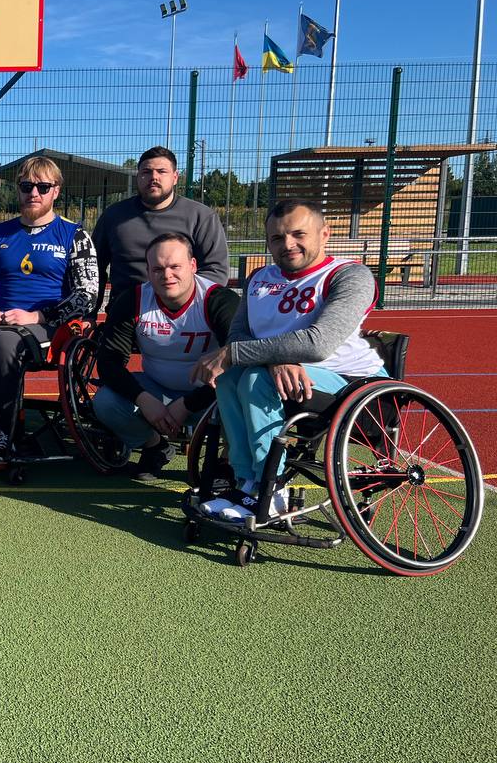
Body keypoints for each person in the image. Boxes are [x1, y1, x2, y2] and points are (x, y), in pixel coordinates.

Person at [190, 199, 387, 521]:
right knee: (229, 377)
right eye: (277, 238)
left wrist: (247, 356)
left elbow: (317, 344)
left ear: (325, 234)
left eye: (298, 234)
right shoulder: (259, 278)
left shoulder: (350, 275)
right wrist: (272, 360)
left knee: (255, 379)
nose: (288, 244)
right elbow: (238, 334)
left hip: (350, 382)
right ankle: (247, 482)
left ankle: (273, 489)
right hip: (280, 375)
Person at [0, 155, 98, 452]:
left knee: (6, 344)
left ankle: (9, 432)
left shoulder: (75, 235)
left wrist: (38, 316)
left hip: (48, 328)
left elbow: (87, 294)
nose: (34, 193)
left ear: (56, 191)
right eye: (26, 186)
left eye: (43, 187)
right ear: (18, 189)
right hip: (0, 323)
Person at [92, 232, 239, 481]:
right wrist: (144, 399)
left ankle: (227, 460)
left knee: (244, 391)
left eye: (175, 267)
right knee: (106, 402)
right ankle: (154, 446)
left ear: (193, 265)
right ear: (148, 272)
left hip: (211, 396)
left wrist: (188, 404)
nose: (167, 275)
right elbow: (109, 363)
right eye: (158, 269)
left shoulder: (218, 300)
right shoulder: (133, 300)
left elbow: (238, 362)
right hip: (157, 390)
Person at [92, 146, 229, 309]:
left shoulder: (201, 217)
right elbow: (93, 268)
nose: (153, 177)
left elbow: (215, 271)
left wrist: (174, 303)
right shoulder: (113, 216)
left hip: (183, 313)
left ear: (175, 177)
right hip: (125, 313)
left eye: (162, 171)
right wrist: (90, 314)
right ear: (138, 177)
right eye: (146, 172)